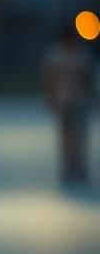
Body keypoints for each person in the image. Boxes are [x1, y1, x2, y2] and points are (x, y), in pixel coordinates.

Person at [41, 21, 97, 187]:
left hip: (80, 100)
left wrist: (93, 96)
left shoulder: (81, 55)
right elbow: (49, 79)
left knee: (79, 135)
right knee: (66, 136)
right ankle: (68, 167)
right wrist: (50, 98)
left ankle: (79, 165)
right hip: (63, 101)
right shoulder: (55, 55)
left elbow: (88, 78)